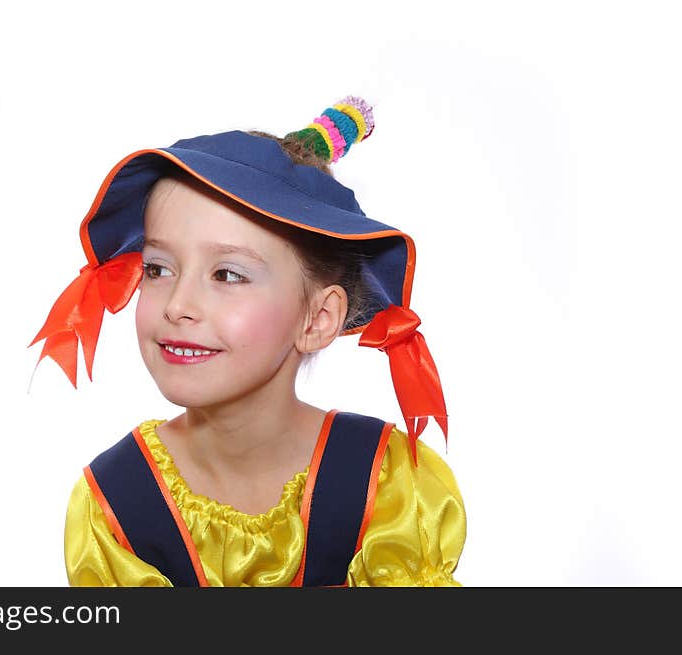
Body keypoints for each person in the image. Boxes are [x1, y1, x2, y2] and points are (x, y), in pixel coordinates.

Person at [29, 96, 467, 586]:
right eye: (157, 269)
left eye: (227, 274)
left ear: (318, 318)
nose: (177, 304)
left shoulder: (385, 490)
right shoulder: (116, 506)